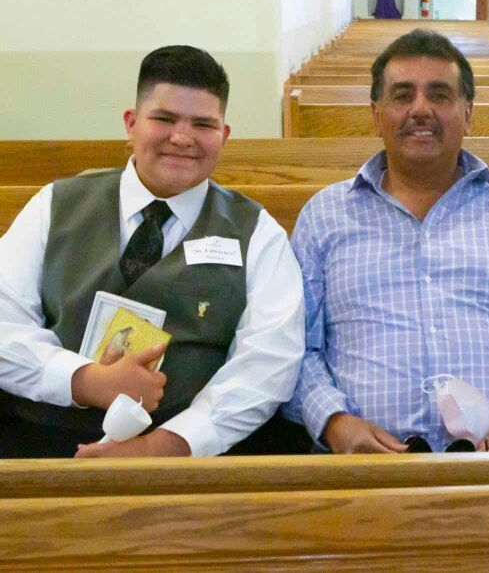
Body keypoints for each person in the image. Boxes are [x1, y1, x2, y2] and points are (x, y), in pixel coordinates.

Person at [0, 45, 305, 458]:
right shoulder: (55, 205)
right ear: (131, 123)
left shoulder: (257, 232)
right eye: (164, 119)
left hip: (185, 458)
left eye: (203, 124)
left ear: (224, 135)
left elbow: (269, 364)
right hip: (40, 437)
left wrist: (167, 446)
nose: (182, 137)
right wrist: (85, 380)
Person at [285, 30, 489, 454]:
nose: (420, 109)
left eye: (439, 95)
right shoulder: (325, 215)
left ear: (468, 113)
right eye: (402, 96)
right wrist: (335, 423)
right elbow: (298, 344)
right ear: (376, 114)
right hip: (360, 471)